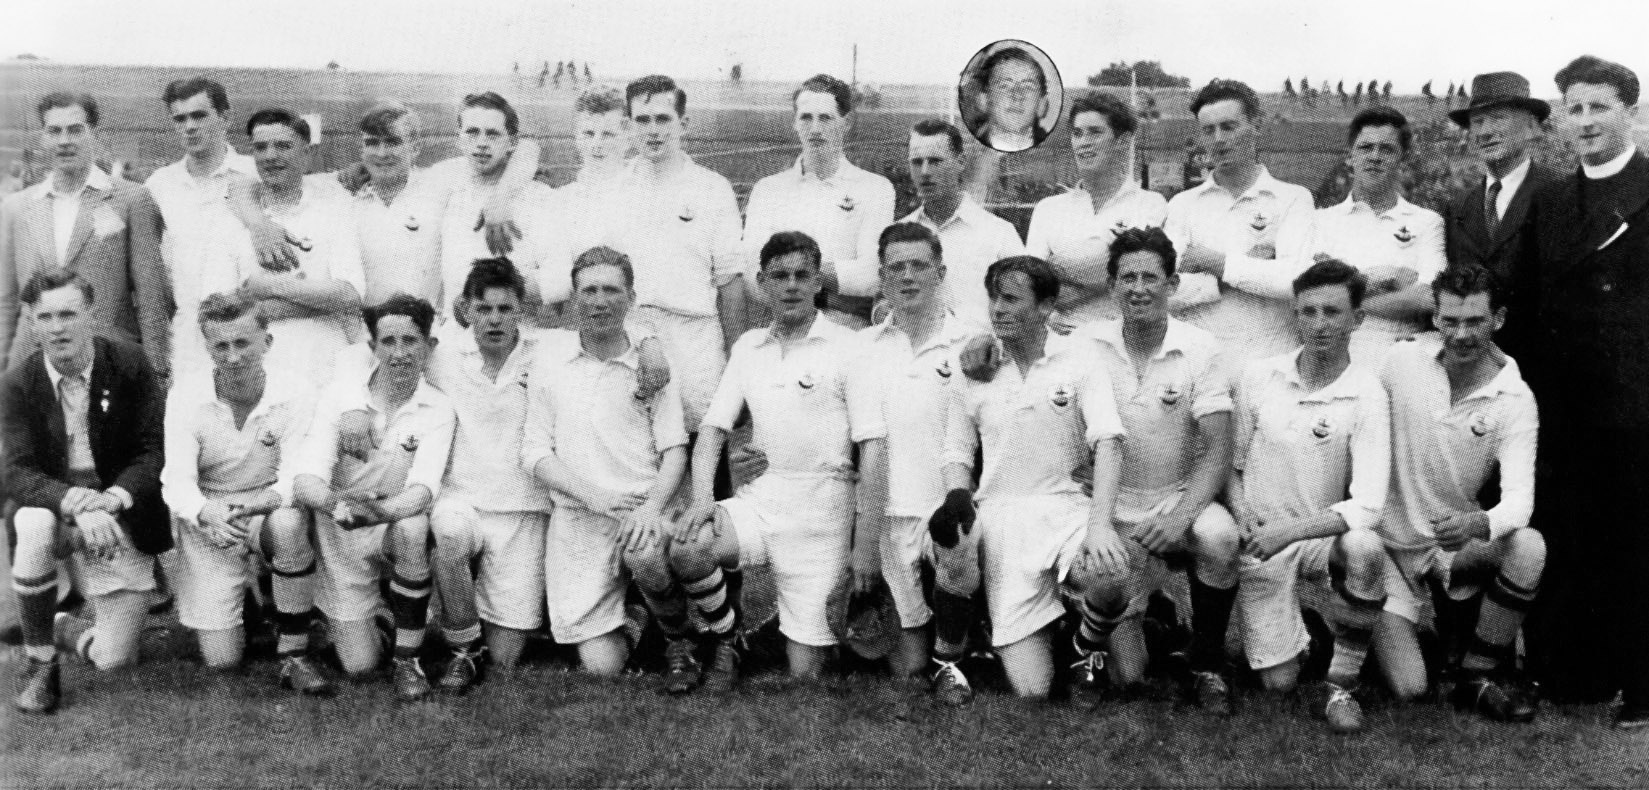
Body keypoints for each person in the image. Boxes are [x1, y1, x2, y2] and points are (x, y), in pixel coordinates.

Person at [668, 231, 887, 691]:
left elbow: (872, 449)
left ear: (817, 283)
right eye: (779, 276)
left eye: (802, 275)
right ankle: (728, 638)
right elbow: (711, 430)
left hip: (824, 511)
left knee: (806, 673)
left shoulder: (850, 346)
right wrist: (705, 499)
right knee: (689, 546)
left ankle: (777, 631)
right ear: (762, 284)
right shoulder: (748, 346)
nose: (791, 285)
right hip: (762, 498)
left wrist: (864, 544)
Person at [1049, 227, 1241, 714]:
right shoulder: (1084, 344)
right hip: (1106, 505)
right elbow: (1024, 351)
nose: (1138, 288)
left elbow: (1219, 450)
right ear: (1111, 285)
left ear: (1172, 284)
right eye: (1127, 277)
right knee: (1129, 674)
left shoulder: (1202, 348)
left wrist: (1180, 517)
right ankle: (1090, 647)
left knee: (1219, 538)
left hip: (1174, 499)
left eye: (1150, 277)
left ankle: (1206, 664)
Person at [932, 254, 1127, 701]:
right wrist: (958, 500)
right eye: (993, 299)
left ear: (1045, 307)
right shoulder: (973, 369)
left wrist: (1099, 525)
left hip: (1066, 509)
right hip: (1003, 518)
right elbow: (956, 451)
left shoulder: (1080, 360)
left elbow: (1109, 442)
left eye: (1010, 298)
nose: (997, 308)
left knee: (1112, 574)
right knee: (1033, 690)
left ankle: (1085, 650)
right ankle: (984, 639)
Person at [1520, 55, 1649, 729]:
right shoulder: (1549, 200)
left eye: (1599, 106)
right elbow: (1531, 298)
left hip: (1634, 400)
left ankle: (1640, 678)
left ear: (1628, 109)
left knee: (1633, 539)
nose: (1586, 120)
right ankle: (1572, 671)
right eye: (1574, 108)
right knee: (1567, 532)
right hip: (1564, 400)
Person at [1372, 264, 1542, 723]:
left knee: (1528, 547)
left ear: (1499, 319)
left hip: (1449, 545)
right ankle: (1368, 627)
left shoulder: (1516, 398)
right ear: (1435, 319)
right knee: (1409, 689)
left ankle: (1476, 674)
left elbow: (1519, 503)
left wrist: (1479, 522)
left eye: (1475, 321)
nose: (1462, 334)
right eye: (1450, 321)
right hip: (1383, 549)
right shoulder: (1401, 360)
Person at [1229, 259, 1389, 734]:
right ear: (1295, 316)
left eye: (1333, 312)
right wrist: (1243, 516)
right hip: (1261, 539)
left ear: (1357, 319)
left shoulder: (1368, 392)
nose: (1319, 324)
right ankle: (1316, 635)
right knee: (1278, 684)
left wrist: (1292, 531)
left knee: (1365, 547)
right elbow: (1231, 465)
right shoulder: (1259, 377)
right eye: (1308, 311)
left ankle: (1342, 684)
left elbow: (1369, 505)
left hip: (1317, 535)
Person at [4, 270, 166, 714]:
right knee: (31, 522)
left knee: (115, 660)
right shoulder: (17, 383)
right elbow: (15, 471)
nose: (58, 327)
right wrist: (72, 502)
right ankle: (40, 662)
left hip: (117, 503)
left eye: (69, 314)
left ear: (90, 313)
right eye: (46, 316)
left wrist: (112, 499)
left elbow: (153, 452)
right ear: (32, 322)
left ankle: (60, 626)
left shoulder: (130, 362)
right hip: (56, 505)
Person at [522, 247, 688, 681]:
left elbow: (675, 450)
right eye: (588, 290)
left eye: (611, 290)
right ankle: (638, 615)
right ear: (574, 298)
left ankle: (677, 637)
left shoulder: (653, 365)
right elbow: (535, 453)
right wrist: (596, 497)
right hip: (580, 515)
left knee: (645, 554)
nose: (599, 301)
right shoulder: (547, 356)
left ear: (631, 298)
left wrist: (650, 508)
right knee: (602, 668)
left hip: (644, 510)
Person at [281, 295, 455, 702]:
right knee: (359, 665)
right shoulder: (340, 398)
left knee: (413, 528)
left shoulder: (439, 407)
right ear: (373, 347)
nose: (399, 353)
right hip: (342, 533)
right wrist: (337, 506)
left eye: (410, 341)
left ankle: (407, 660)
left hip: (387, 526)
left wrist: (379, 512)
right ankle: (376, 618)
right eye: (388, 341)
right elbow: (305, 480)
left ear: (429, 347)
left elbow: (423, 489)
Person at [160, 292, 328, 694]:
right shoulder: (185, 394)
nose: (233, 356)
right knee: (222, 660)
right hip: (210, 513)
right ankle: (255, 605)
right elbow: (176, 480)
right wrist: (207, 512)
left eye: (243, 343)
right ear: (208, 348)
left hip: (266, 505)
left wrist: (252, 505)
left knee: (288, 525)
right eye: (221, 345)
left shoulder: (296, 390)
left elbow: (296, 477)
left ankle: (294, 654)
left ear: (266, 342)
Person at [854, 222, 987, 692]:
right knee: (906, 669)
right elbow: (871, 450)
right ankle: (953, 632)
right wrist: (864, 542)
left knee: (958, 555)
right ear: (882, 277)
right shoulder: (864, 349)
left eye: (919, 266)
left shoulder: (975, 340)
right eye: (897, 268)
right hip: (890, 518)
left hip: (949, 512)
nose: (908, 277)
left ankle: (958, 646)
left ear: (941, 271)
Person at [424, 259, 552, 692]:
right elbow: (367, 351)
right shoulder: (441, 354)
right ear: (465, 309)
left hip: (524, 509)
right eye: (484, 309)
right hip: (461, 500)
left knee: (506, 657)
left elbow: (620, 333)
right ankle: (464, 649)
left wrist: (647, 341)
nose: (494, 319)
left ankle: (449, 616)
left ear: (521, 310)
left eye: (505, 308)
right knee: (451, 536)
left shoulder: (549, 352)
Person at [605, 74, 746, 434]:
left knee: (706, 452)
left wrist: (738, 364)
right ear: (628, 125)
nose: (653, 131)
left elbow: (729, 284)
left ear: (683, 123)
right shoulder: (613, 187)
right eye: (643, 120)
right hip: (630, 334)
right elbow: (601, 278)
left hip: (696, 341)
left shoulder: (712, 189)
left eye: (663, 119)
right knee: (638, 454)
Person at [0, 92, 168, 375]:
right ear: (43, 137)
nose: (64, 140)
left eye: (75, 129)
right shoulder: (17, 207)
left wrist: (156, 370)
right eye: (54, 131)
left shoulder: (131, 199)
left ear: (95, 134)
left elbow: (151, 295)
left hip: (108, 360)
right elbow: (5, 300)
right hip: (32, 364)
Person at [1167, 79, 1317, 372]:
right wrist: (1244, 271)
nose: (1218, 139)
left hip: (1272, 360)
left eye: (1229, 127)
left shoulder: (1293, 198)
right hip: (1200, 364)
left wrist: (1214, 262)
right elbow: (1167, 291)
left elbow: (1295, 281)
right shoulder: (1182, 205)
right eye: (1208, 130)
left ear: (1255, 126)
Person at [743, 74, 896, 329]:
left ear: (846, 123)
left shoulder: (876, 189)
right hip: (783, 328)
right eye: (806, 117)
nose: (815, 129)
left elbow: (871, 276)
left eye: (825, 118)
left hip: (847, 330)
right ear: (794, 122)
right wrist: (829, 286)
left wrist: (787, 274)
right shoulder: (767, 190)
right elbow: (752, 276)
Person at [235, 109, 365, 384]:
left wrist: (267, 287)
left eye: (283, 146)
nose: (270, 156)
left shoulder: (335, 209)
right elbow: (226, 305)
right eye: (261, 147)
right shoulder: (232, 218)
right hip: (257, 368)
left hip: (324, 365)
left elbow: (351, 296)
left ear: (306, 153)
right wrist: (321, 298)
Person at [143, 77, 259, 379]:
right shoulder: (159, 186)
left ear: (225, 117)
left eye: (199, 115)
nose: (189, 126)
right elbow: (150, 273)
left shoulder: (256, 174)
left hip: (251, 340)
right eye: (180, 118)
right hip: (186, 347)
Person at [1313, 106, 1445, 369]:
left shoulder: (1427, 222)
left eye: (1386, 149)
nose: (1374, 157)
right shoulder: (1319, 221)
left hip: (1402, 359)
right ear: (1349, 156)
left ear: (1402, 159)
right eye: (1365, 148)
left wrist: (1344, 295)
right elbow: (1314, 297)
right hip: (1336, 360)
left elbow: (1427, 297)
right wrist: (1390, 278)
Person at [1025, 91, 1168, 331]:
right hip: (1061, 346)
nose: (1083, 142)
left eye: (1095, 132)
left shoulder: (1151, 204)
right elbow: (1031, 288)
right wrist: (1107, 264)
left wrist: (1058, 270)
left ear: (1122, 142)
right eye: (1077, 133)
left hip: (1122, 347)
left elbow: (1134, 272)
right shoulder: (1047, 209)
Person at [1443, 72, 1555, 361]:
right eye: (1477, 122)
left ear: (1532, 127)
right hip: (1474, 366)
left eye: (1498, 119)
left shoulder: (1562, 194)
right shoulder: (1458, 206)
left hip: (1545, 364)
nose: (1484, 132)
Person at [437, 93, 568, 328]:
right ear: (459, 138)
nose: (481, 143)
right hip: (456, 334)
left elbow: (560, 280)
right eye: (472, 132)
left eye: (493, 134)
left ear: (512, 141)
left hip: (520, 332)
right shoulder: (443, 182)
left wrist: (483, 297)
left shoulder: (541, 197)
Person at [898, 119, 1023, 328]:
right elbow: (881, 298)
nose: (925, 172)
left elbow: (1023, 303)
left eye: (936, 161)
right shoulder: (899, 232)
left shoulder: (1000, 234)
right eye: (917, 162)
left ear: (961, 162)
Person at [554, 87, 631, 259]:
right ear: (576, 136)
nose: (597, 144)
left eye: (607, 134)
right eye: (588, 133)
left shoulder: (644, 196)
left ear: (628, 139)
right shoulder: (561, 200)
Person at [967, 46, 1052, 152]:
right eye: (1004, 86)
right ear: (983, 100)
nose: (1017, 95)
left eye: (1028, 87)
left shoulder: (1056, 155)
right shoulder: (970, 152)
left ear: (1042, 105)